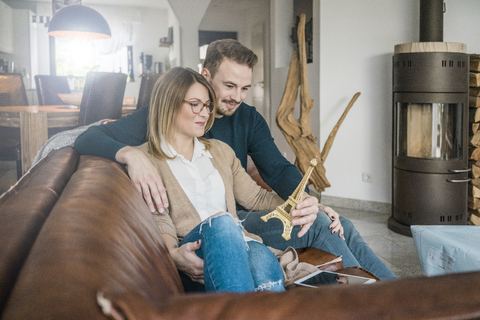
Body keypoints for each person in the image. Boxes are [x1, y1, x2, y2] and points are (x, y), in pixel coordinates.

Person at [74, 39, 396, 280]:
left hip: (245, 216)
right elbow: (87, 137)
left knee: (341, 224)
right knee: (321, 226)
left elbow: (277, 168)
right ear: (205, 74)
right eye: (229, 85)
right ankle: (386, 298)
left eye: (245, 87)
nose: (237, 97)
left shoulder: (248, 119)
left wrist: (309, 200)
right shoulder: (172, 112)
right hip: (228, 222)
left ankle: (395, 288)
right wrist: (130, 154)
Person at [137, 67, 285, 293]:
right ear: (170, 103)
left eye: (207, 106)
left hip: (242, 241)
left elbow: (256, 198)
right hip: (194, 248)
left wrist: (305, 202)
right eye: (195, 104)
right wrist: (172, 254)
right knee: (223, 222)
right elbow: (160, 218)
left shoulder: (220, 151)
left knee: (267, 284)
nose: (205, 114)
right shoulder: (147, 158)